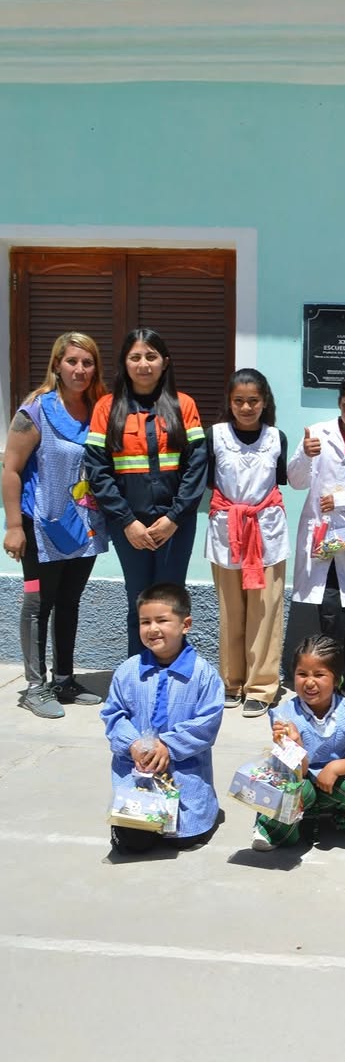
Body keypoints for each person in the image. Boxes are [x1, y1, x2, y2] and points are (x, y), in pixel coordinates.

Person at [3, 331, 108, 718]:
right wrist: (13, 525)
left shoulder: (99, 410)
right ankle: (34, 685)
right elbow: (11, 469)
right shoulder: (35, 411)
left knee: (69, 602)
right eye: (72, 361)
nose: (79, 369)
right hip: (37, 529)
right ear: (57, 365)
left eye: (87, 362)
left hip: (84, 529)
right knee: (36, 601)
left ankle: (64, 679)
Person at [85, 329, 207, 656]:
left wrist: (174, 518)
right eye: (135, 357)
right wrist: (126, 522)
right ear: (124, 363)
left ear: (164, 362)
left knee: (170, 601)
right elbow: (98, 470)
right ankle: (138, 674)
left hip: (174, 525)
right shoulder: (106, 409)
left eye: (151, 356)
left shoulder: (185, 405)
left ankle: (173, 672)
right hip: (130, 526)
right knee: (139, 599)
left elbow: (196, 468)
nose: (143, 364)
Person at [101, 583, 224, 854]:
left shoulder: (204, 675)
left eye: (162, 620)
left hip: (184, 775)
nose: (152, 629)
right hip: (138, 774)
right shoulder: (128, 670)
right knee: (132, 845)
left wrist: (168, 745)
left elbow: (207, 722)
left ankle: (202, 812)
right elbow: (113, 713)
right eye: (145, 621)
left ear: (185, 624)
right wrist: (132, 743)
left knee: (184, 837)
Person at [288, 373, 345, 703]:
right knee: (330, 613)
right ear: (339, 403)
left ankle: (343, 673)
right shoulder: (317, 434)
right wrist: (304, 454)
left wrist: (344, 501)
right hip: (322, 538)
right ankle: (341, 675)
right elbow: (296, 482)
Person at [205, 369, 288, 718]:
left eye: (253, 400)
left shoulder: (276, 438)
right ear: (229, 402)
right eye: (239, 400)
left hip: (266, 533)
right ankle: (232, 681)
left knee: (265, 613)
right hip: (228, 532)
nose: (246, 407)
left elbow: (284, 479)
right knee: (231, 613)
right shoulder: (215, 436)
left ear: (264, 401)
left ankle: (262, 686)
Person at [251, 634, 345, 851]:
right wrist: (296, 745)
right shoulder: (284, 716)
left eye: (319, 674)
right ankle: (271, 829)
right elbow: (294, 773)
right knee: (296, 790)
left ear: (337, 679)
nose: (309, 682)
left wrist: (335, 767)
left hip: (332, 785)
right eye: (302, 674)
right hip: (301, 780)